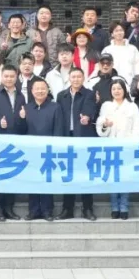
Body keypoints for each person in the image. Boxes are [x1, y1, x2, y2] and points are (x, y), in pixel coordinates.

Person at [0, 65, 28, 221]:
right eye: (6, 76)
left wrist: (23, 118)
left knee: (12, 175)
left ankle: (9, 208)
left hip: (15, 139)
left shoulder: (21, 95)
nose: (9, 79)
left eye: (12, 76)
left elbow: (22, 115)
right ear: (1, 77)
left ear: (16, 77)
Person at [56, 68, 98, 221]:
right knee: (69, 175)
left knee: (86, 174)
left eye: (79, 77)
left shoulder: (89, 94)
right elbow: (59, 116)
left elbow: (90, 109)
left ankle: (88, 208)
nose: (76, 79)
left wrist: (87, 117)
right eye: (73, 77)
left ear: (83, 78)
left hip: (83, 138)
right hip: (67, 139)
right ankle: (67, 209)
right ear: (69, 78)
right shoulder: (61, 95)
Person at [97, 79, 139, 220]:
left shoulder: (132, 107)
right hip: (111, 148)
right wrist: (106, 125)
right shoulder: (106, 106)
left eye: (119, 88)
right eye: (114, 89)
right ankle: (114, 207)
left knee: (125, 177)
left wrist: (133, 146)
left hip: (127, 148)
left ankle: (124, 207)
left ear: (124, 90)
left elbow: (136, 129)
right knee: (113, 178)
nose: (116, 91)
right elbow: (100, 129)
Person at [24, 79, 65, 221]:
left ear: (47, 90)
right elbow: (22, 129)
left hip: (49, 151)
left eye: (43, 88)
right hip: (31, 151)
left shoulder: (55, 107)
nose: (40, 91)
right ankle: (33, 210)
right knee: (33, 180)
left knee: (47, 181)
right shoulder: (27, 108)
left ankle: (47, 210)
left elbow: (58, 129)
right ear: (32, 91)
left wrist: (56, 148)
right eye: (37, 88)